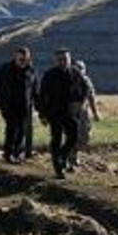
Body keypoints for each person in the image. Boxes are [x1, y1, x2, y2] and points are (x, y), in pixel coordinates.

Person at [39, 49, 89, 179]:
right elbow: (42, 95)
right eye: (59, 59)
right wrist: (42, 115)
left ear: (69, 59)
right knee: (56, 139)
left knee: (73, 137)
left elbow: (85, 88)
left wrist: (81, 103)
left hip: (70, 112)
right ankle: (58, 168)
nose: (62, 62)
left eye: (65, 59)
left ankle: (62, 156)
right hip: (53, 112)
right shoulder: (50, 75)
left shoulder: (75, 73)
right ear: (56, 61)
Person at [0, 47, 39, 163]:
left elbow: (35, 90)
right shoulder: (5, 69)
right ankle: (8, 154)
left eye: (25, 59)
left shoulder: (31, 71)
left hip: (25, 106)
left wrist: (39, 105)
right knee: (12, 130)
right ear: (15, 57)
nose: (23, 61)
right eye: (21, 59)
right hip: (8, 105)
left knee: (22, 131)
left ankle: (16, 153)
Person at [73, 60, 101, 157]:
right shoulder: (68, 80)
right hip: (71, 111)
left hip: (83, 111)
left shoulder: (86, 81)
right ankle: (73, 156)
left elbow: (91, 97)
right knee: (72, 134)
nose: (79, 71)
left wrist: (95, 113)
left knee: (85, 133)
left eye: (81, 68)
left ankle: (77, 151)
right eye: (77, 68)